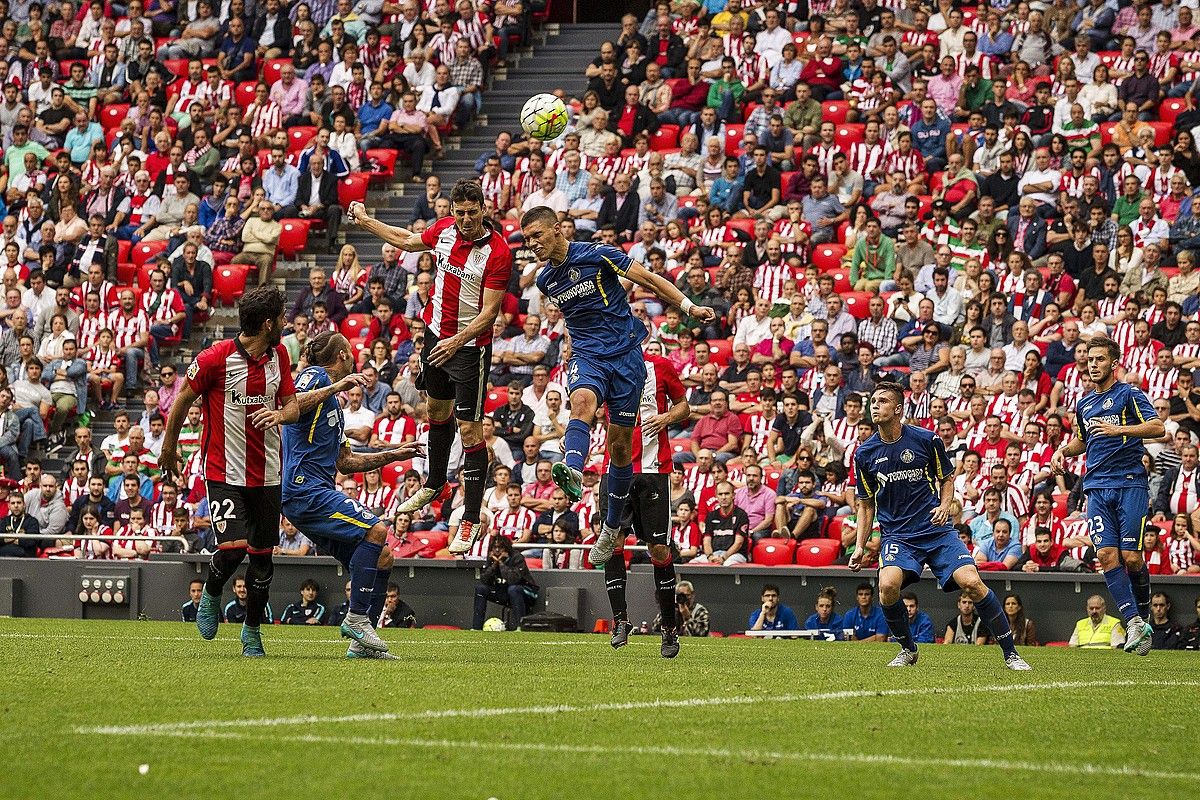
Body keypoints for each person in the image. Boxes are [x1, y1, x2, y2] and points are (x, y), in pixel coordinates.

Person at [518, 205, 716, 571]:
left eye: (536, 236)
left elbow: (651, 281)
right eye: (527, 239)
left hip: (627, 358)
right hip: (588, 357)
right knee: (580, 402)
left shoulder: (599, 255)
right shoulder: (546, 280)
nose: (531, 245)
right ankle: (573, 467)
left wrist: (689, 307)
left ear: (558, 230)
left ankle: (611, 527)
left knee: (620, 447)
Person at [346, 182, 510, 557]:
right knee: (436, 411)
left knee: (469, 430)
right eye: (459, 212)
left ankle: (469, 518)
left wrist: (456, 341)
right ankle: (435, 481)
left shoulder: (497, 252)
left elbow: (490, 314)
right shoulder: (445, 231)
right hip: (438, 337)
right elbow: (406, 240)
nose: (465, 220)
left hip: (469, 349)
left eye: (472, 212)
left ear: (483, 210)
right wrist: (368, 221)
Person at [158, 287, 299, 658]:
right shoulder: (215, 358)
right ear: (268, 323)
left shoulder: (279, 356)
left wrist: (280, 415)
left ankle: (251, 633)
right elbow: (181, 400)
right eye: (281, 316)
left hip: (268, 472)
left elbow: (293, 407)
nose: (285, 322)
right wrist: (169, 447)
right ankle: (212, 591)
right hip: (224, 470)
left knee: (263, 559)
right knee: (234, 549)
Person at [851, 382, 1031, 669]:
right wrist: (860, 546)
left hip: (935, 531)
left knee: (972, 582)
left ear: (898, 409)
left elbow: (946, 478)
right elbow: (866, 504)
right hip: (898, 534)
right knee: (886, 586)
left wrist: (945, 505)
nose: (875, 405)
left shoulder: (926, 440)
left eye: (883, 401)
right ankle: (908, 650)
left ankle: (1011, 653)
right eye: (873, 400)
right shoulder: (864, 454)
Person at [277, 331, 423, 658]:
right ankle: (357, 618)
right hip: (304, 489)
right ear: (343, 354)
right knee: (377, 529)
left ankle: (361, 645)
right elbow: (290, 406)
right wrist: (336, 387)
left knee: (383, 554)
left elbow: (346, 461)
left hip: (315, 493)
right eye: (351, 350)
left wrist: (396, 454)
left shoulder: (336, 407)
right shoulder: (315, 376)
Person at [1051, 336, 1165, 657]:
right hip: (1096, 487)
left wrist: (1121, 430)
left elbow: (1159, 428)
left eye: (1100, 359)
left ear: (1113, 364)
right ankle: (1133, 622)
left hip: (1129, 483)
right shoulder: (1084, 403)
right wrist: (1063, 450)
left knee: (1132, 558)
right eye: (1089, 359)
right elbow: (1083, 441)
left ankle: (1141, 614)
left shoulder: (1129, 394)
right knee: (1105, 558)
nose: (1093, 364)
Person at [600, 354, 690, 657]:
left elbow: (684, 406)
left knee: (659, 550)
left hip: (654, 469)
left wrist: (665, 418)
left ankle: (668, 627)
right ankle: (620, 621)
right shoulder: (606, 362)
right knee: (613, 540)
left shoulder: (661, 366)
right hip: (614, 467)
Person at [471, 535, 539, 630]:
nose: (497, 550)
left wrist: (502, 564)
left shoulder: (517, 557)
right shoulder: (492, 559)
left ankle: (520, 627)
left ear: (507, 548)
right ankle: (476, 627)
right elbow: (484, 579)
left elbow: (513, 580)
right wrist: (494, 565)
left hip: (527, 593)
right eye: (495, 547)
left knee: (513, 589)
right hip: (506, 592)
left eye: (501, 547)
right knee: (480, 589)